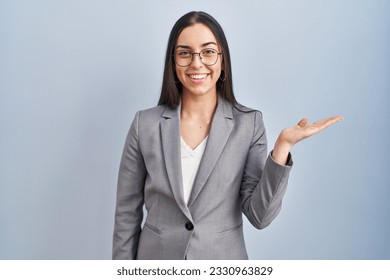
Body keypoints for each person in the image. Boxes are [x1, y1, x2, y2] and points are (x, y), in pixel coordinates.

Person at [112, 11, 342, 260]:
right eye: (184, 53)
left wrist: (282, 147)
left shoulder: (249, 124)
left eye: (208, 52)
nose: (196, 63)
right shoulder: (144, 125)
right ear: (173, 61)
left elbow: (260, 216)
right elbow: (127, 215)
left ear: (222, 60)